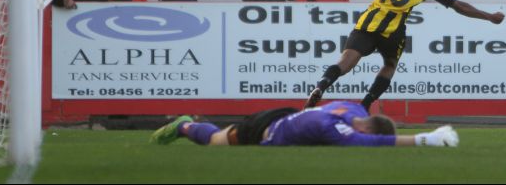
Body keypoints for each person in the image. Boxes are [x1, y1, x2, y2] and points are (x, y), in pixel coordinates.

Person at [305, 0, 506, 112]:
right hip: (393, 31)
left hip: (368, 23)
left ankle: (321, 85)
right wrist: (488, 17)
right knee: (390, 64)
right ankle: (365, 105)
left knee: (345, 62)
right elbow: (459, 6)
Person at [149, 101, 459, 147]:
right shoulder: (336, 129)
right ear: (365, 127)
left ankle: (191, 124)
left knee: (224, 134)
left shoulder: (350, 109)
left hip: (286, 115)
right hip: (268, 129)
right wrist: (423, 139)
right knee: (218, 142)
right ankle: (184, 126)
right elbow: (365, 142)